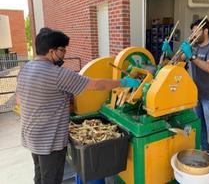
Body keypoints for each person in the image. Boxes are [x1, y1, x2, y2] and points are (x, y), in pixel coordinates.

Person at [16, 27, 140, 184]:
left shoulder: (25, 69)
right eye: (62, 50)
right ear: (51, 51)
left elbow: (20, 101)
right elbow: (96, 85)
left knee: (40, 175)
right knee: (51, 179)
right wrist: (124, 82)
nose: (64, 54)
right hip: (50, 142)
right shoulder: (57, 74)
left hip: (32, 136)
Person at [162, 19, 209, 164]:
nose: (193, 34)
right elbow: (178, 61)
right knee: (199, 125)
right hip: (197, 94)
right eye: (192, 31)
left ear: (206, 30)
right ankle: (205, 150)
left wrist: (192, 56)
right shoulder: (194, 46)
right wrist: (169, 51)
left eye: (196, 31)